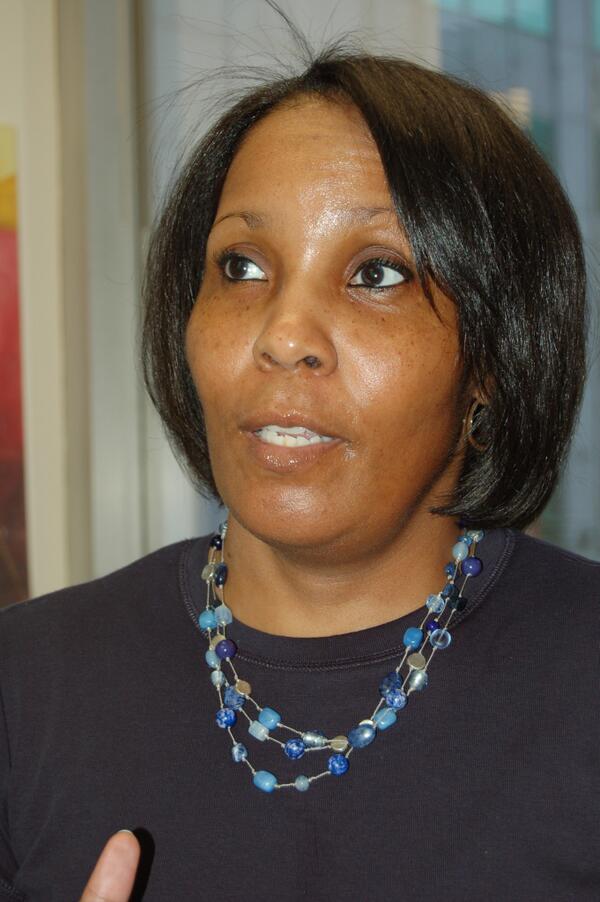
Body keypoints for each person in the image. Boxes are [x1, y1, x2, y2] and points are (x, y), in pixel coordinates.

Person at [1, 36, 599, 902]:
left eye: (376, 273)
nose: (282, 335)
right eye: (241, 267)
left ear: (492, 363)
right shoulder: (28, 687)